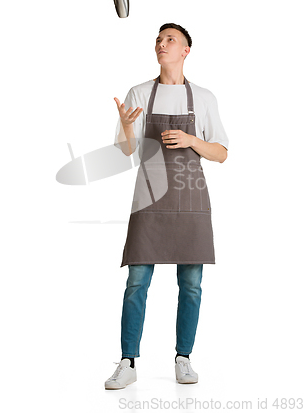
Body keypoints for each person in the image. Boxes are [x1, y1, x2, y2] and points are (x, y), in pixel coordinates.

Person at [105, 23, 229, 390]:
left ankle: (183, 358)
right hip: (149, 200)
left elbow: (221, 153)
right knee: (136, 281)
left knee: (191, 285)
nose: (161, 44)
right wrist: (128, 127)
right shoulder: (140, 92)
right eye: (158, 40)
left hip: (191, 200)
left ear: (186, 50)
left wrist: (191, 138)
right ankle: (127, 361)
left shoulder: (204, 98)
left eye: (170, 40)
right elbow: (126, 151)